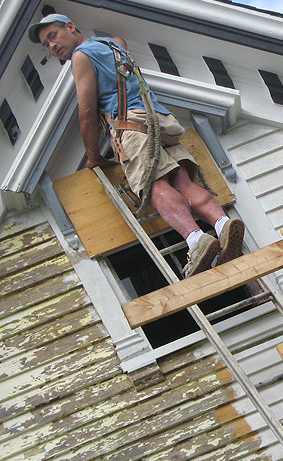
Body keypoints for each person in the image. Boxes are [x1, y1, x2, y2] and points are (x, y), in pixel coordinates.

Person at [29, 14, 244, 277]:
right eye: (46, 45)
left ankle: (196, 239)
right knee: (183, 182)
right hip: (159, 118)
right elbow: (120, 39)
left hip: (130, 125)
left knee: (153, 186)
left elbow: (86, 113)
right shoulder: (113, 45)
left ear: (71, 27)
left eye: (53, 36)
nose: (52, 47)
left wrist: (93, 155)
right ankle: (222, 223)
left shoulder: (80, 57)